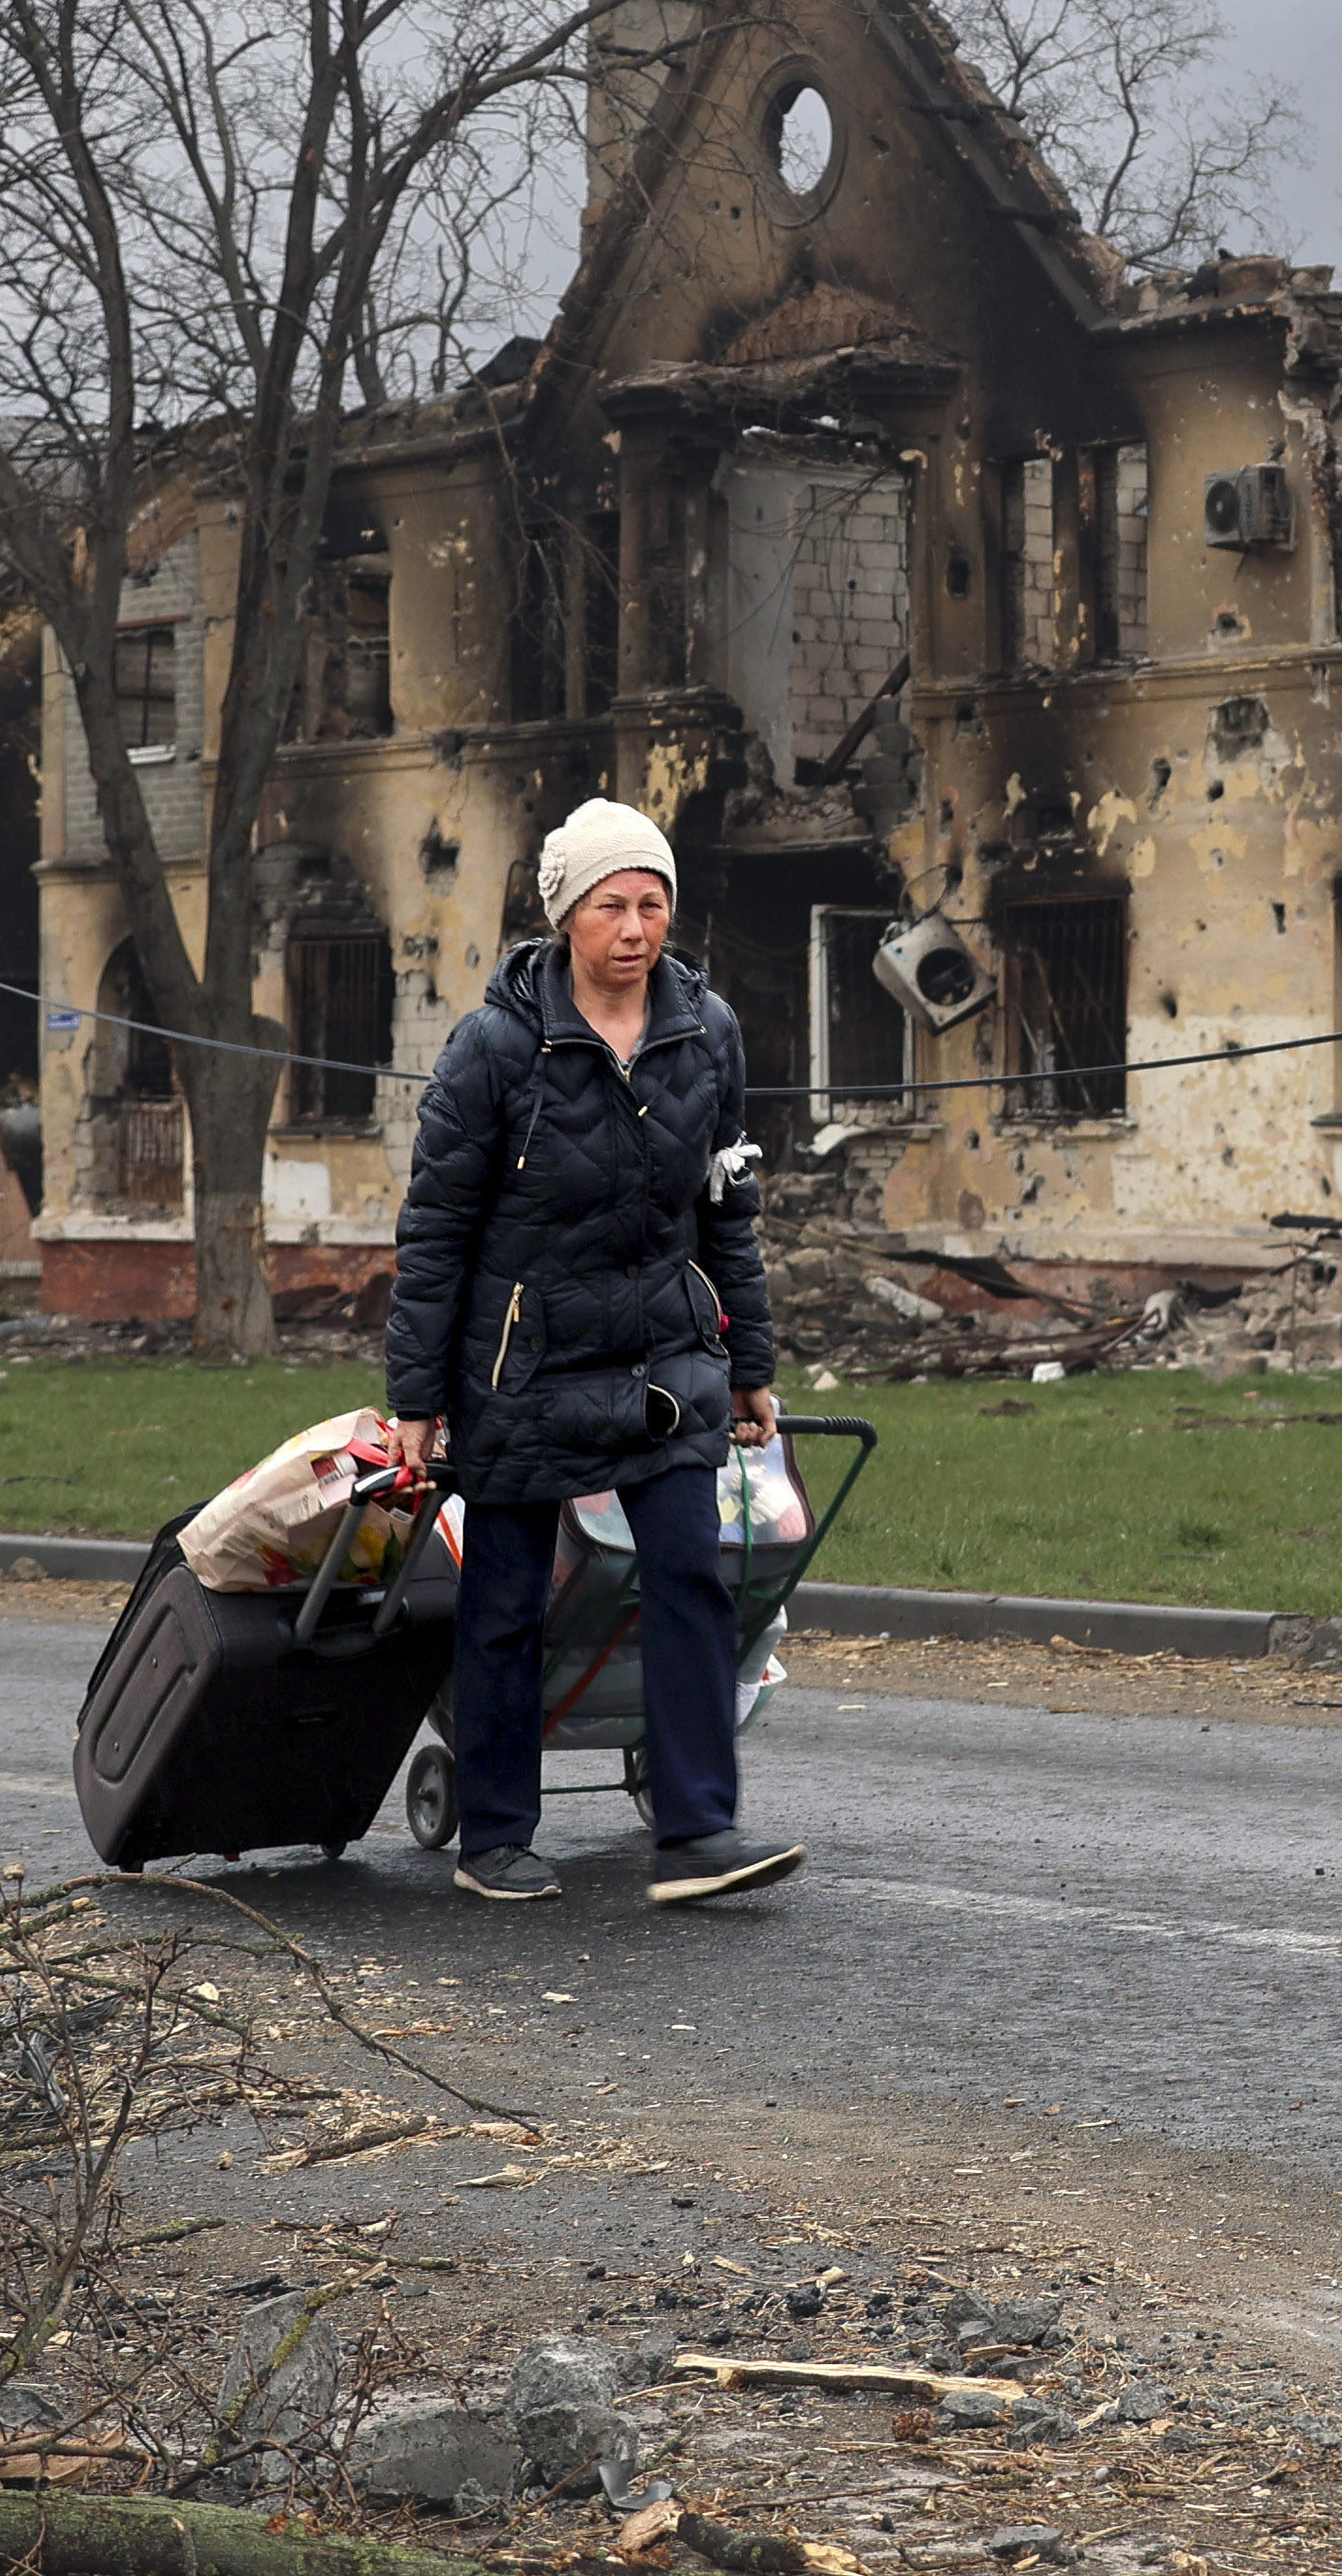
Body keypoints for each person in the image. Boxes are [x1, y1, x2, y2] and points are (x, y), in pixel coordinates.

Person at [375, 799, 800, 1907]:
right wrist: (418, 1396)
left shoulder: (709, 1034)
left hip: (664, 1353)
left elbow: (728, 1209)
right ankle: (497, 1836)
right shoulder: (495, 1047)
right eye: (612, 904)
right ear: (566, 915)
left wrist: (747, 1362)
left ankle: (701, 1830)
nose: (636, 925)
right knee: (508, 1601)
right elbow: (435, 1232)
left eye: (653, 902)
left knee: (691, 1578)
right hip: (524, 1361)